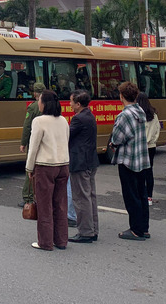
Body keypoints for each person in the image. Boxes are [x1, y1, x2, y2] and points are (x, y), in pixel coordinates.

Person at [25, 89, 69, 251]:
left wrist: (29, 167)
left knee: (45, 205)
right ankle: (61, 240)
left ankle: (45, 242)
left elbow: (34, 147)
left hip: (45, 166)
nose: (38, 102)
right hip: (63, 165)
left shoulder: (39, 121)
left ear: (44, 103)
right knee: (60, 204)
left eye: (40, 100)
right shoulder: (63, 120)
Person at [109, 81, 150, 240]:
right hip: (141, 158)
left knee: (131, 195)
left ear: (121, 96)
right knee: (141, 194)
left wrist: (113, 144)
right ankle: (144, 228)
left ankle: (136, 230)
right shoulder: (140, 110)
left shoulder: (125, 115)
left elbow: (118, 138)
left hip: (128, 159)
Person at [67, 90, 99, 243]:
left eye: (72, 102)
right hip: (90, 160)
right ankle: (92, 229)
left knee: (81, 198)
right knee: (90, 196)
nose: (70, 104)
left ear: (78, 104)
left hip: (80, 161)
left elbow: (67, 136)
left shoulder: (78, 119)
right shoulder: (89, 115)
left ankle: (85, 231)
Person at [20, 82, 45, 207]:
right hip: (46, 143)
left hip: (34, 142)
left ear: (35, 93)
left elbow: (27, 127)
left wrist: (23, 143)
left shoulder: (33, 107)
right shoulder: (51, 106)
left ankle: (27, 197)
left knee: (30, 169)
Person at [137, 92, 160, 206]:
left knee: (139, 171)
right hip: (151, 146)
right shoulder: (153, 114)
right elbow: (157, 130)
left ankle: (141, 195)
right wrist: (153, 140)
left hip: (140, 147)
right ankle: (149, 197)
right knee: (149, 171)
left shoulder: (138, 115)